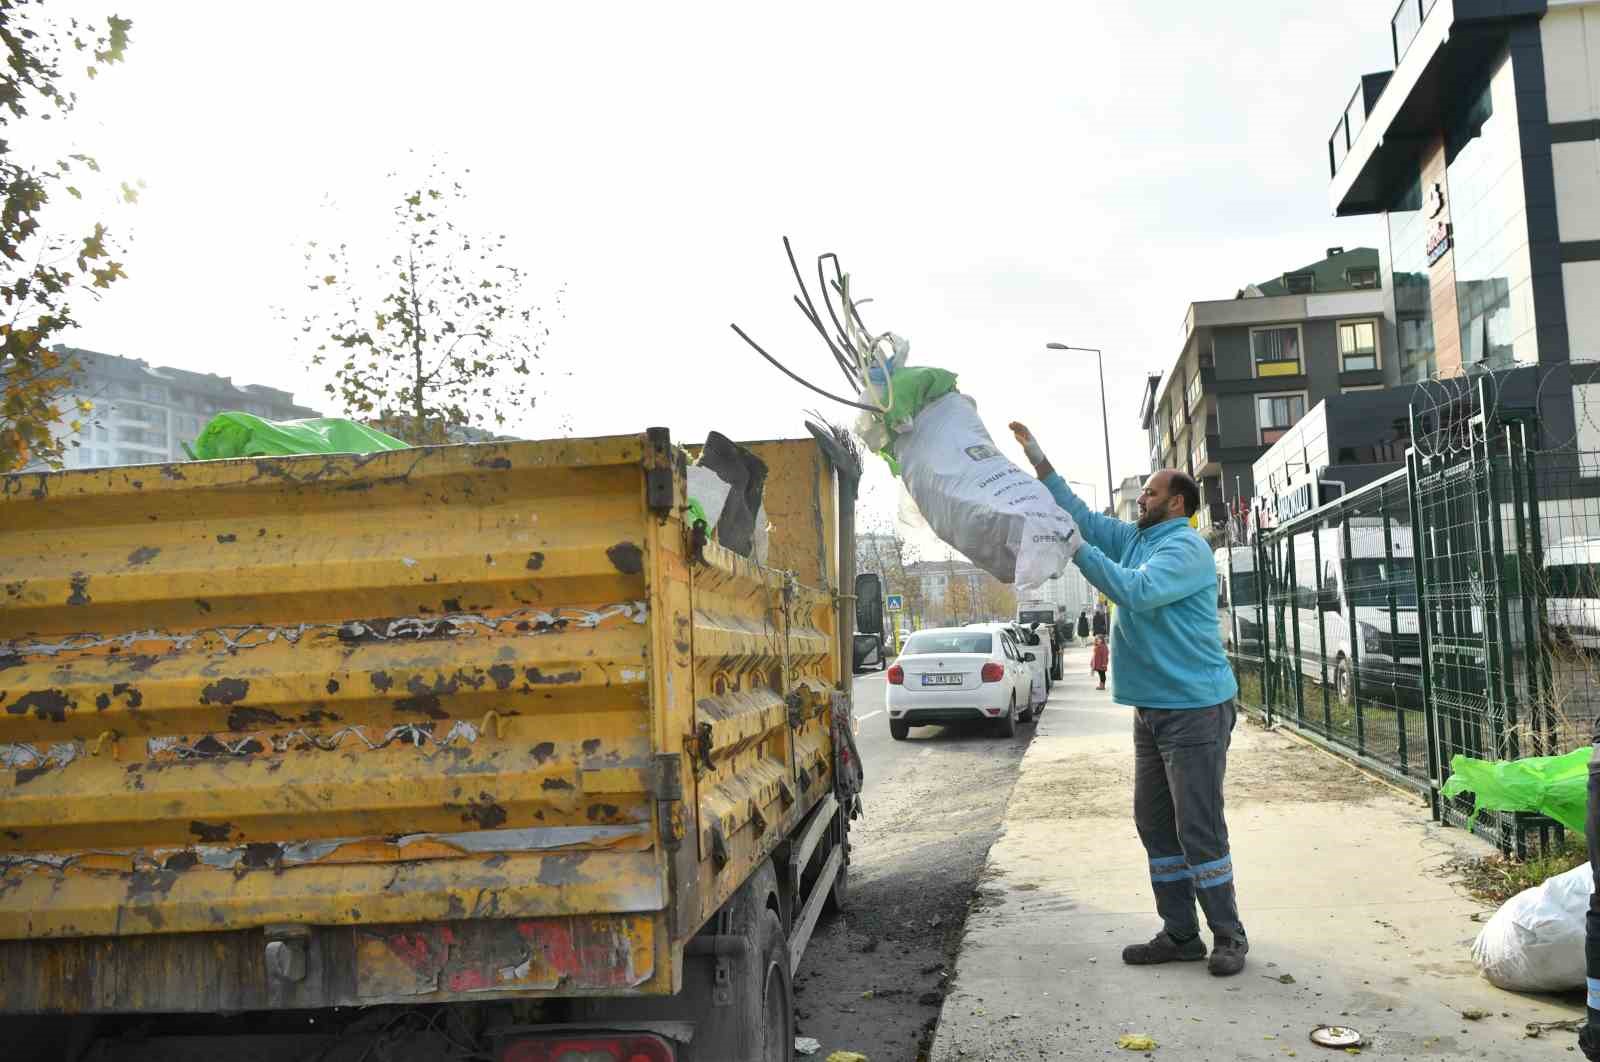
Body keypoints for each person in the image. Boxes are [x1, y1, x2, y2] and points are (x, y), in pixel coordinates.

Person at [1009, 420, 1248, 977]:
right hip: (1152, 710)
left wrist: (1075, 550)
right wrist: (1038, 457)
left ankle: (1228, 935)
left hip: (1194, 710)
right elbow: (1083, 518)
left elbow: (1132, 592)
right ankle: (1181, 934)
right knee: (1155, 825)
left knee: (1199, 827)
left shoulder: (1186, 548)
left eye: (1151, 492)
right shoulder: (1138, 537)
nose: (1141, 497)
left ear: (1177, 503)